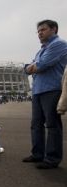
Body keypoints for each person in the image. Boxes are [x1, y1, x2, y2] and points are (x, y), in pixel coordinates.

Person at [23, 20, 67, 169]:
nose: (40, 33)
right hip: (37, 90)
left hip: (52, 89)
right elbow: (28, 68)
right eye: (38, 31)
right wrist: (32, 67)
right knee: (36, 124)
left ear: (54, 29)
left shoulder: (59, 44)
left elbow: (40, 65)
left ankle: (52, 159)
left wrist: (33, 66)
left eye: (43, 29)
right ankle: (37, 154)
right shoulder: (42, 49)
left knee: (52, 124)